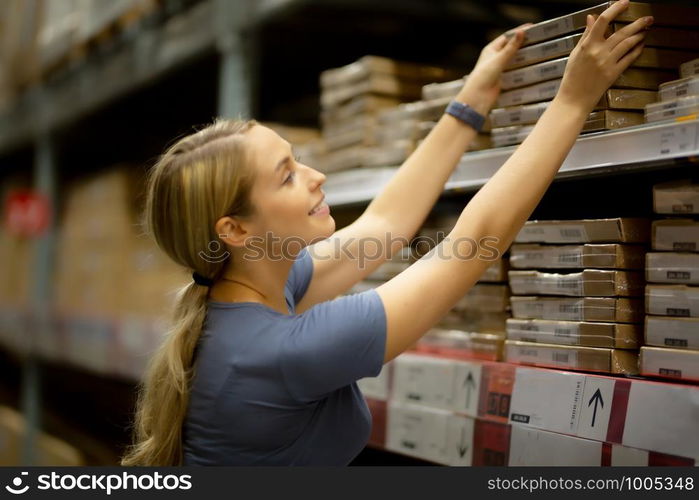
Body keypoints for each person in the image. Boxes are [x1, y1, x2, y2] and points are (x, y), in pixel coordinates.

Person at [121, 0, 651, 466]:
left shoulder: (259, 287)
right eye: (287, 175)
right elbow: (472, 246)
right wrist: (572, 102)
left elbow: (385, 224)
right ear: (235, 230)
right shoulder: (282, 350)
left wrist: (469, 103)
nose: (316, 176)